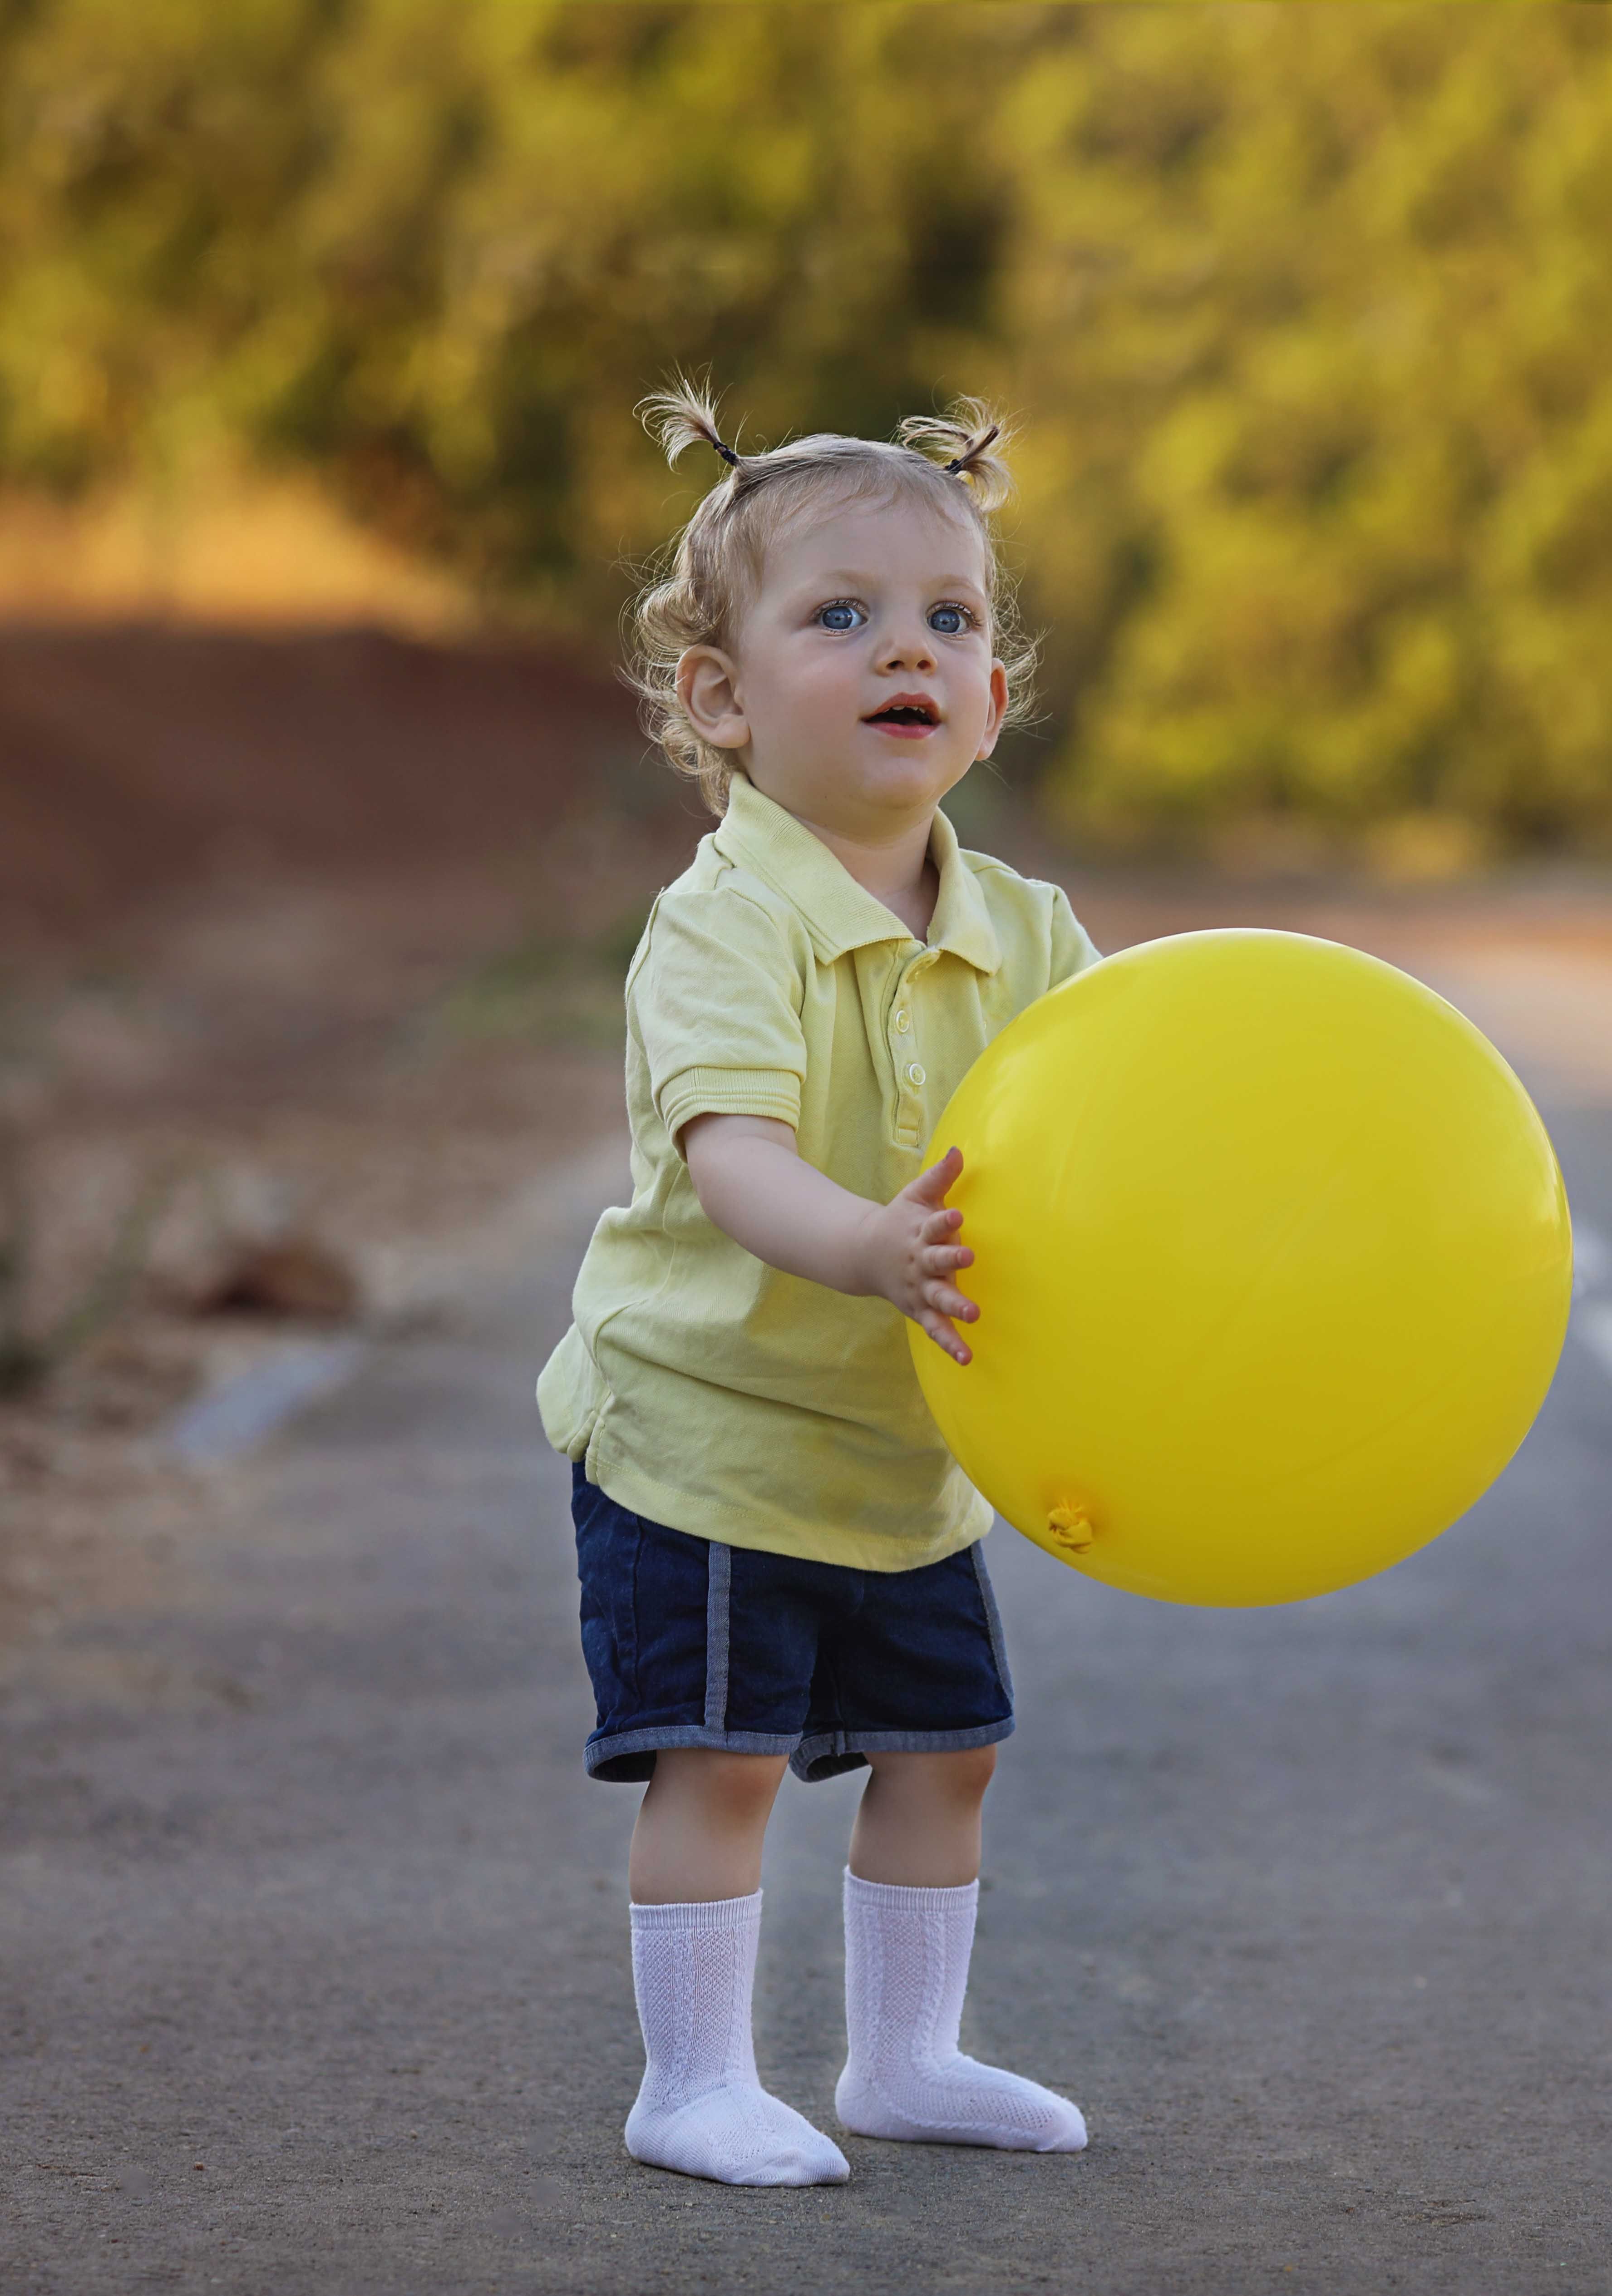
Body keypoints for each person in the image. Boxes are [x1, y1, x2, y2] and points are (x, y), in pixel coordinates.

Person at [537, 384, 1096, 2187]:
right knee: (729, 1761)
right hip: (703, 1433)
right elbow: (737, 1158)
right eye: (838, 615)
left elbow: (1121, 1127)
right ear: (721, 697)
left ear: (994, 696)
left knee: (950, 1752)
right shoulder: (725, 919)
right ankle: (688, 2078)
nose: (903, 650)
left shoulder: (1029, 931)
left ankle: (905, 2053)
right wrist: (865, 1242)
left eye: (946, 618)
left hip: (899, 1453)